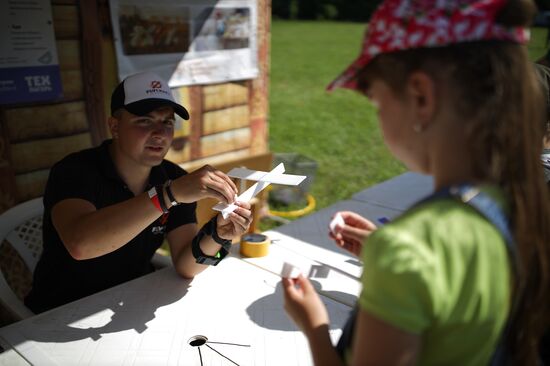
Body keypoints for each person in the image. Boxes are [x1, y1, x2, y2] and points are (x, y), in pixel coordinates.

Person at [282, 0, 550, 365]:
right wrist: (386, 251)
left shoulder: (408, 251)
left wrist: (313, 325)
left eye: (376, 102)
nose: (377, 118)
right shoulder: (516, 206)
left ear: (421, 97)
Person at [25, 71, 252, 313]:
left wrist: (218, 235)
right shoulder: (75, 170)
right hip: (59, 312)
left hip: (133, 301)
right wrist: (168, 196)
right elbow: (81, 244)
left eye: (167, 122)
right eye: (144, 120)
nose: (159, 133)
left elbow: (186, 265)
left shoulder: (173, 178)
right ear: (114, 126)